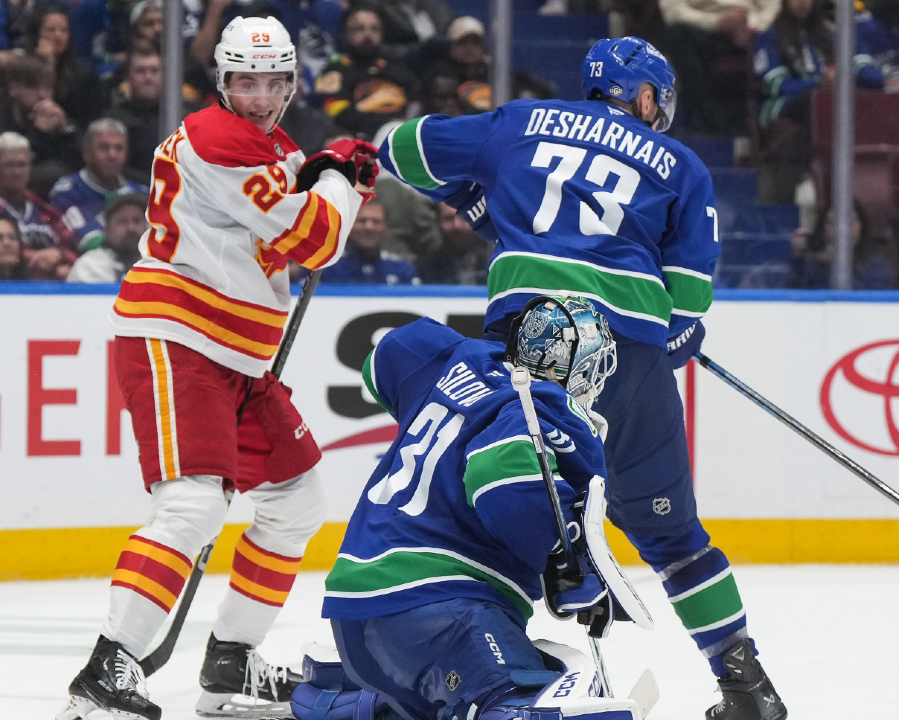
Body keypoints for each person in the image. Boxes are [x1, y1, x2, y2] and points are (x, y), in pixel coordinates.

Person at [378, 36, 787, 719]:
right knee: (674, 540)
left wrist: (481, 204)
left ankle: (477, 662)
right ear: (646, 96)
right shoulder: (683, 165)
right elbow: (687, 306)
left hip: (534, 340)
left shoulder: (519, 122)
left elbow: (403, 149)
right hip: (631, 354)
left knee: (491, 500)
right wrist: (669, 336)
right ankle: (745, 683)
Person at [58, 16, 376, 720]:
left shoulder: (269, 145)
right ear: (221, 82)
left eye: (274, 83)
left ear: (292, 83)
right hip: (179, 339)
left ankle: (230, 662)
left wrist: (322, 169)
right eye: (245, 82)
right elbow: (316, 240)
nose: (260, 96)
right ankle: (106, 670)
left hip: (237, 356)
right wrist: (344, 183)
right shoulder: (218, 139)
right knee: (194, 504)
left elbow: (296, 183)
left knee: (297, 504)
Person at [311, 299, 634, 720]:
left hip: (356, 605)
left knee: (447, 696)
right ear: (569, 373)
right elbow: (501, 478)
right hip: (442, 603)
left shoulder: (458, 357)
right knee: (510, 698)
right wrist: (563, 554)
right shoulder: (546, 408)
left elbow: (382, 360)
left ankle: (350, 703)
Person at [752, 0, 883, 202]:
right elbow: (775, 83)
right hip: (784, 103)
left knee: (857, 97)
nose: (803, 3)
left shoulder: (829, 35)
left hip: (829, 98)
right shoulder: (769, 36)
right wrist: (817, 84)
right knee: (816, 99)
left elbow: (862, 67)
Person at [656, 0, 778, 135]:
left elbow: (772, 6)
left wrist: (752, 26)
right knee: (676, 36)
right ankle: (707, 119)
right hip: (701, 27)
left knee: (774, 34)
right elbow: (673, 11)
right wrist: (716, 22)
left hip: (751, 26)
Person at [0, 55, 82, 193]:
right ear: (13, 89)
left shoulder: (54, 119)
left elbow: (80, 166)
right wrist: (39, 132)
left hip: (42, 196)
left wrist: (66, 132)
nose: (43, 95)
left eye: (48, 88)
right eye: (33, 87)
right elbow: (1, 168)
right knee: (50, 172)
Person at [0, 131, 76, 256]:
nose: (16, 172)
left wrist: (60, 255)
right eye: (9, 165)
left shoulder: (44, 210)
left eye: (22, 165)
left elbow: (69, 247)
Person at [419, 17, 556, 116]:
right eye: (462, 42)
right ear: (451, 46)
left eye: (474, 42)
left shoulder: (494, 72)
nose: (469, 48)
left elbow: (547, 89)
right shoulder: (439, 75)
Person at [314, 7, 416, 140]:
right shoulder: (334, 69)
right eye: (359, 29)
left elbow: (417, 102)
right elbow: (334, 111)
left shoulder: (394, 67)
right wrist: (387, 123)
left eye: (374, 29)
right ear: (344, 34)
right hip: (361, 139)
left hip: (404, 134)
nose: (368, 35)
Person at [50, 118, 149, 243]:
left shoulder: (142, 194)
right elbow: (89, 241)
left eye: (119, 148)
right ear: (86, 153)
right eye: (104, 148)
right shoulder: (67, 192)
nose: (112, 155)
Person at [104, 43, 187, 178]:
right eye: (140, 71)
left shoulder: (183, 118)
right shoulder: (113, 120)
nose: (148, 78)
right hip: (132, 193)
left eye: (154, 71)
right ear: (128, 77)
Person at [19, 5, 105, 129]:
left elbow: (92, 116)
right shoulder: (22, 65)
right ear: (37, 33)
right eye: (50, 30)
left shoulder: (84, 71)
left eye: (64, 30)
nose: (58, 36)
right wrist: (45, 63)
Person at [788, 201, 895, 289]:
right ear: (822, 227)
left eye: (850, 222)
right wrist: (799, 258)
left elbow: (870, 303)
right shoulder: (811, 261)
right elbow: (792, 299)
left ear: (862, 226)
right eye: (832, 222)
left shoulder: (876, 265)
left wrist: (838, 262)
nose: (842, 228)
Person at [320, 200, 420, 285]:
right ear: (348, 225)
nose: (369, 227)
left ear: (386, 227)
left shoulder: (403, 269)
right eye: (362, 221)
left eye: (376, 221)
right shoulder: (324, 267)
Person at [67, 193, 147, 282]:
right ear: (107, 229)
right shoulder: (89, 265)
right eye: (123, 221)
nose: (131, 227)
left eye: (137, 221)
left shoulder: (158, 263)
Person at [416, 202, 490, 285]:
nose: (457, 225)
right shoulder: (425, 270)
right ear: (437, 222)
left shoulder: (498, 264)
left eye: (465, 217)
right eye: (448, 219)